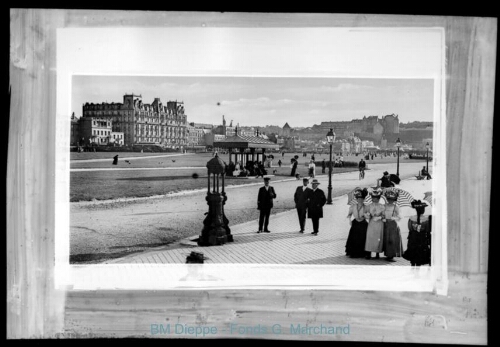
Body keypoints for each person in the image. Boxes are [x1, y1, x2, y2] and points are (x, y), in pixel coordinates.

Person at [403, 200, 431, 266]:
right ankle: (418, 267)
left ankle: (412, 265)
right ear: (422, 210)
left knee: (413, 251)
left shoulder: (411, 218)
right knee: (420, 252)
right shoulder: (426, 219)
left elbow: (409, 228)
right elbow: (427, 229)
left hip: (413, 237)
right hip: (422, 238)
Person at [345, 188, 369, 258]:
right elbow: (349, 214)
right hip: (355, 224)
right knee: (354, 238)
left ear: (364, 199)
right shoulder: (353, 206)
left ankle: (362, 253)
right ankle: (353, 253)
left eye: (361, 198)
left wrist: (365, 215)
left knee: (362, 238)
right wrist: (349, 220)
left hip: (363, 224)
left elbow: (368, 216)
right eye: (358, 198)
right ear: (356, 199)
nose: (360, 200)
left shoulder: (366, 207)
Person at [382, 190, 403, 262]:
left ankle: (392, 255)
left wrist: (394, 217)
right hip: (386, 224)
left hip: (393, 224)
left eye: (392, 199)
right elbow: (382, 214)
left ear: (394, 200)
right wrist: (383, 218)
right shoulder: (384, 206)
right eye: (389, 199)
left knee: (392, 239)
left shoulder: (396, 207)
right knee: (387, 239)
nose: (390, 201)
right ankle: (388, 255)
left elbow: (400, 217)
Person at [364, 188, 384, 259]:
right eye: (374, 198)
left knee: (378, 238)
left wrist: (380, 217)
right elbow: (365, 213)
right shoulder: (369, 206)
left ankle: (377, 253)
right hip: (371, 223)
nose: (375, 199)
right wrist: (368, 215)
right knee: (370, 237)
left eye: (377, 198)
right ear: (372, 198)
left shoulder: (382, 206)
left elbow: (384, 215)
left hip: (379, 224)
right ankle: (369, 252)